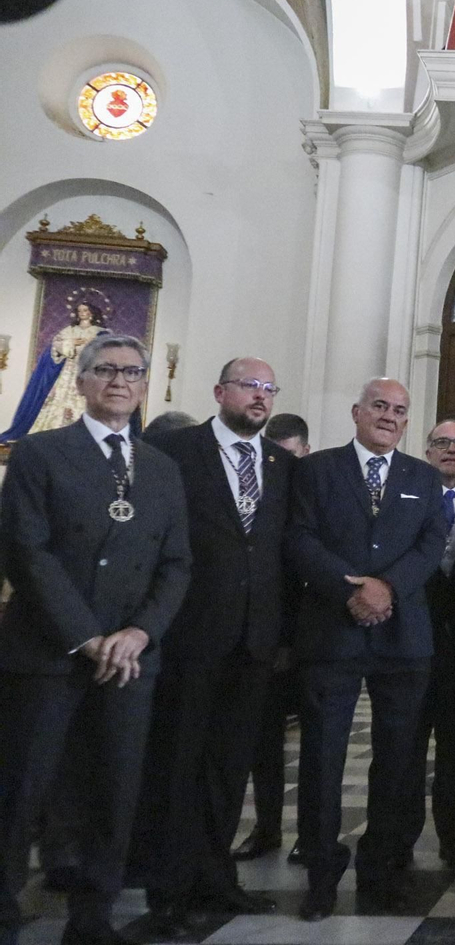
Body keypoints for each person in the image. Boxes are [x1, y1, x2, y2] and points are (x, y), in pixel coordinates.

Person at [0, 333, 190, 945]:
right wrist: (85, 636)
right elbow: (27, 553)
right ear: (80, 381)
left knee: (115, 791)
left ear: (143, 386)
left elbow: (176, 563)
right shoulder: (39, 453)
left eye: (132, 372)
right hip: (48, 654)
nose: (119, 381)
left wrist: (139, 632)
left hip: (130, 661)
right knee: (23, 788)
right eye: (105, 370)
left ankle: (93, 915)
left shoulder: (162, 468)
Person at [133, 359, 292, 933]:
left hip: (254, 642)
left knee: (228, 766)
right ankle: (168, 891)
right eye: (249, 386)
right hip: (190, 636)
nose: (259, 396)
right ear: (220, 390)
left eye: (268, 389)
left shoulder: (278, 463)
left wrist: (282, 637)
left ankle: (216, 879)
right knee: (177, 765)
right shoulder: (177, 452)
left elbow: (279, 555)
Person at [286, 378, 447, 921]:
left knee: (399, 762)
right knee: (323, 757)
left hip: (403, 638)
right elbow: (300, 538)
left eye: (400, 410)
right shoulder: (316, 470)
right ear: (356, 412)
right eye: (379, 406)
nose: (389, 416)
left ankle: (383, 872)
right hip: (332, 630)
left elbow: (432, 543)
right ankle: (322, 875)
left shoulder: (423, 477)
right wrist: (350, 588)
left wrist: (387, 588)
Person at [400, 419, 455, 872]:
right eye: (442, 443)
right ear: (427, 452)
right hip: (411, 645)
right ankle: (401, 839)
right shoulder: (408, 499)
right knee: (405, 748)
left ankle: (454, 838)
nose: (452, 450)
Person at [233, 411, 310, 863]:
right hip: (265, 634)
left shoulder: (316, 487)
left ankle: (310, 834)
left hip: (310, 635)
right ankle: (266, 828)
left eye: (290, 455)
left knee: (319, 744)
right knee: (264, 741)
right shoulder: (257, 487)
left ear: (305, 451)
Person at [0, 299, 106, 441]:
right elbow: (55, 347)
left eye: (85, 310)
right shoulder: (69, 331)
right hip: (67, 374)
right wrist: (71, 343)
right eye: (80, 311)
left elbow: (104, 352)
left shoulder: (99, 333)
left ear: (91, 313)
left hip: (87, 373)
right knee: (57, 402)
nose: (82, 313)